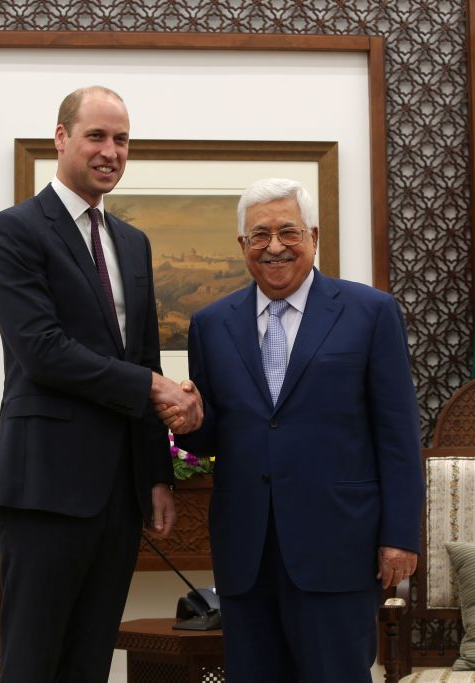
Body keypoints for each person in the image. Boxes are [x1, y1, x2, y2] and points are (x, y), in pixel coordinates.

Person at [0, 85, 203, 682]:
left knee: (90, 662)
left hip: (117, 496)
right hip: (45, 489)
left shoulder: (133, 242)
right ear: (61, 139)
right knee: (33, 661)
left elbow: (144, 354)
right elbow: (44, 352)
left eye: (122, 139)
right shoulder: (13, 231)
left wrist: (155, 473)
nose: (111, 151)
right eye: (97, 136)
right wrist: (155, 388)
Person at [171, 178, 424, 682]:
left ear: (313, 235)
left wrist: (400, 536)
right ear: (243, 246)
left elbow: (398, 433)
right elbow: (213, 437)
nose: (275, 246)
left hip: (340, 548)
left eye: (288, 231)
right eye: (259, 235)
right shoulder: (210, 324)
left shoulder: (370, 313)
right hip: (247, 553)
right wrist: (192, 424)